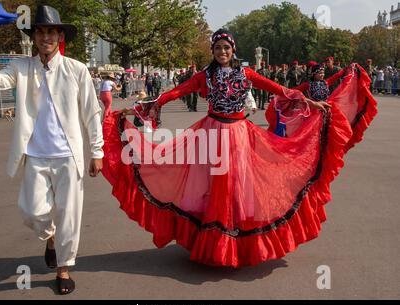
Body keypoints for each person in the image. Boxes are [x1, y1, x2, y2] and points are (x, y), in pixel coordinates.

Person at [100, 28, 377, 268]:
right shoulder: (204, 76)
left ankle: (235, 239)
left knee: (238, 185)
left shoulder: (245, 73)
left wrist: (308, 101)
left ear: (233, 50)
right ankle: (218, 243)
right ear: (213, 50)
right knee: (216, 185)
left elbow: (277, 89)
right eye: (218, 47)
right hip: (212, 134)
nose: (222, 51)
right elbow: (173, 93)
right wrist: (135, 109)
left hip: (240, 134)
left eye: (226, 47)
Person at [0, 5, 104, 294]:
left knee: (70, 215)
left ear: (60, 35)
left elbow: (92, 112)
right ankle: (50, 237)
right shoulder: (22, 67)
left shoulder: (76, 70)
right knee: (31, 211)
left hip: (68, 156)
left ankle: (64, 268)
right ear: (35, 37)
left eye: (51, 31)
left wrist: (97, 151)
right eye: (41, 31)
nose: (46, 36)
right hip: (36, 155)